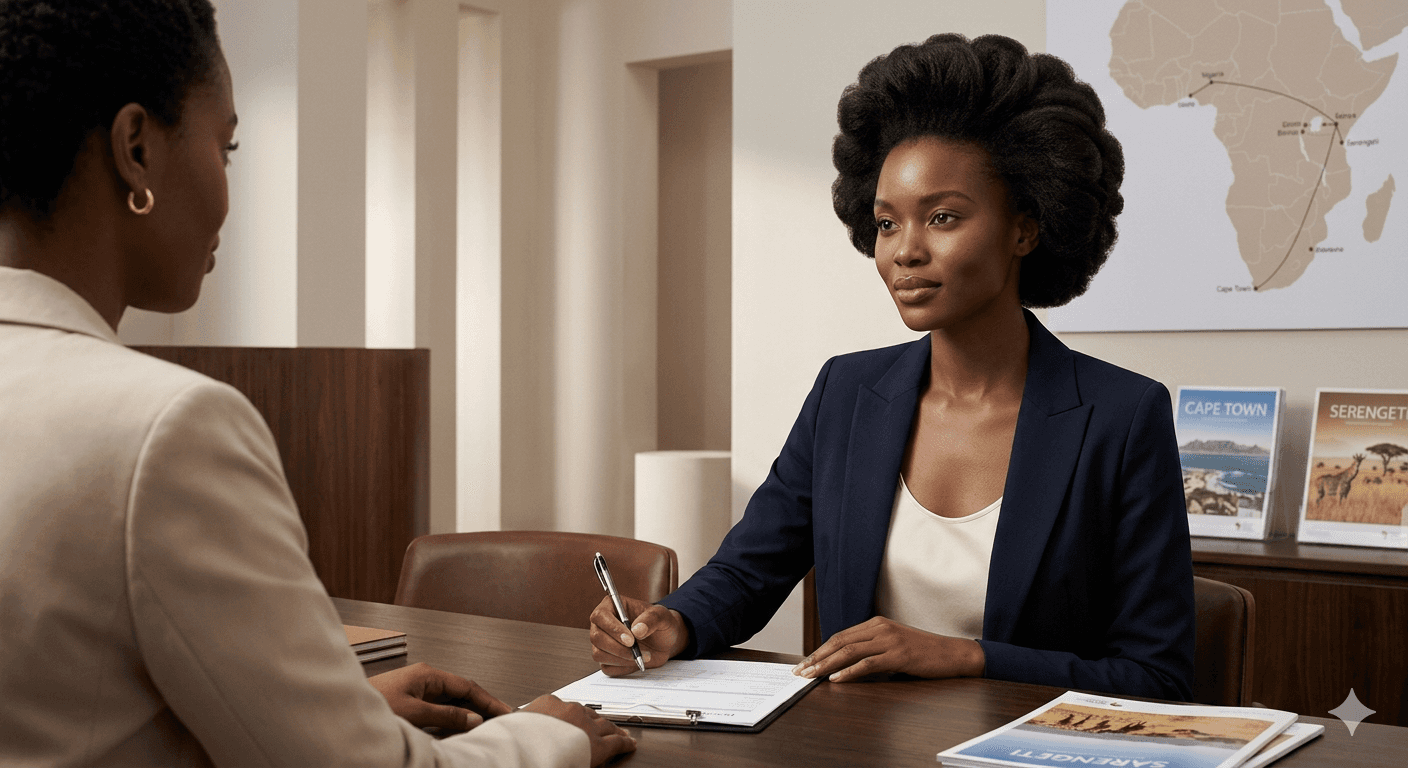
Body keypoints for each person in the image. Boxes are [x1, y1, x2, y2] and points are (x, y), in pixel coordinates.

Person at [0, 2, 633, 766]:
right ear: (136, 149)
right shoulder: (165, 430)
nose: (229, 187)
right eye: (226, 147)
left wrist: (333, 707)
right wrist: (550, 732)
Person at [590, 33, 1195, 701]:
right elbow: (747, 572)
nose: (905, 252)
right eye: (885, 223)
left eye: (941, 217)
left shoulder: (1120, 416)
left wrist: (966, 656)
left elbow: (1156, 677)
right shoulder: (846, 393)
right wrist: (672, 622)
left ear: (1026, 227)